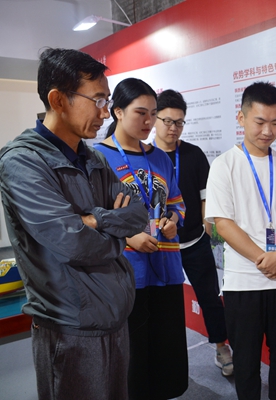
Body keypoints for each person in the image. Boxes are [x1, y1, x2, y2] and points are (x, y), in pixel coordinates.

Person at [0, 48, 148, 399]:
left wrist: (95, 219)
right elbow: (73, 242)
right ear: (58, 100)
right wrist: (116, 235)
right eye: (97, 100)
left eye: (106, 100)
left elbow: (137, 214)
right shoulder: (22, 162)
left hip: (114, 320)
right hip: (70, 329)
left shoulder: (93, 158)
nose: (105, 112)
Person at [205, 81, 276, 400]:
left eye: (275, 122)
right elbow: (223, 223)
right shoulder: (224, 165)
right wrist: (263, 259)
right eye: (260, 121)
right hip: (244, 280)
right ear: (242, 118)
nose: (268, 131)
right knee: (246, 360)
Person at [94, 78, 188, 400]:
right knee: (131, 355)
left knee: (165, 349)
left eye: (152, 113)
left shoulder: (159, 157)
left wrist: (173, 221)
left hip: (166, 266)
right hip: (126, 271)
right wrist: (128, 237)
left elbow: (177, 203)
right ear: (118, 111)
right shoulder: (97, 158)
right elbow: (90, 217)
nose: (149, 121)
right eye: (140, 113)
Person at [153, 89, 233, 376]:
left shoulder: (193, 154)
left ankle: (221, 346)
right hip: (160, 246)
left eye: (179, 122)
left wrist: (207, 227)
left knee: (210, 298)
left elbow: (205, 195)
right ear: (155, 119)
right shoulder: (145, 156)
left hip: (195, 241)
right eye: (167, 121)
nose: (173, 128)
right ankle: (163, 355)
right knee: (164, 304)